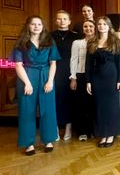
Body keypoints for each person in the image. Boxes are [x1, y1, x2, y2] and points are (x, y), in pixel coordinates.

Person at [11, 16, 60, 155]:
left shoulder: (49, 41)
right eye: (33, 24)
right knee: (27, 111)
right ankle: (29, 144)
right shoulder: (21, 43)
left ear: (42, 26)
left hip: (46, 75)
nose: (36, 26)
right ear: (28, 26)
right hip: (27, 76)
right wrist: (27, 83)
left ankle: (48, 140)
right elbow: (18, 65)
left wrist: (50, 81)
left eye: (39, 24)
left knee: (48, 109)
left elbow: (53, 63)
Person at [86, 16, 120, 148]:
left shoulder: (115, 41)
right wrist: (88, 81)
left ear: (109, 26)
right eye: (99, 24)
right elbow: (88, 64)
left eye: (104, 24)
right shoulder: (92, 42)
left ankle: (111, 134)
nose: (101, 26)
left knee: (111, 107)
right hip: (97, 77)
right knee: (99, 107)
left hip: (112, 77)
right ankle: (102, 134)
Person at [51, 10, 80, 141]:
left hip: (70, 72)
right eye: (59, 19)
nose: (62, 21)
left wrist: (74, 75)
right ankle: (55, 128)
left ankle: (68, 127)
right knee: (55, 100)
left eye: (64, 19)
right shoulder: (49, 36)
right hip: (54, 71)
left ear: (69, 21)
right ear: (56, 21)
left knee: (70, 99)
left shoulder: (75, 36)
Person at [70, 20, 96, 141]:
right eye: (85, 26)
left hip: (96, 76)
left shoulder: (99, 42)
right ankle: (83, 131)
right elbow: (73, 60)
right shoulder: (77, 43)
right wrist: (73, 77)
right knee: (82, 104)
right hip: (81, 75)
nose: (88, 28)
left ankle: (94, 130)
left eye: (91, 26)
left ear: (95, 28)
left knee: (94, 104)